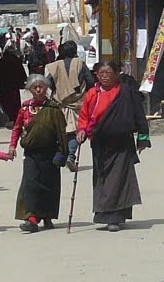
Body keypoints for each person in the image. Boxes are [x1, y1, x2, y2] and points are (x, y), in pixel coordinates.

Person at [76, 60, 150, 232]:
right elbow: (84, 116)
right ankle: (104, 214)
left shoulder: (125, 91)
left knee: (119, 179)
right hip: (100, 142)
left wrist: (143, 138)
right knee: (102, 178)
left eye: (108, 73)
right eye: (100, 73)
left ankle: (115, 217)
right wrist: (82, 131)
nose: (104, 76)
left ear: (116, 74)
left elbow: (139, 114)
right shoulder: (92, 93)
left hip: (122, 143)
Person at [9, 74, 67, 233]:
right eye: (35, 87)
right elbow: (17, 128)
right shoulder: (25, 108)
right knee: (31, 185)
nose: (39, 89)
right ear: (30, 90)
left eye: (42, 86)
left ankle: (47, 216)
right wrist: (12, 147)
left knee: (49, 186)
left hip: (50, 154)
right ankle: (32, 218)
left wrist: (62, 154)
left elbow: (61, 134)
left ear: (46, 88)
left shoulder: (53, 109)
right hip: (31, 154)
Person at [46, 39, 94, 171]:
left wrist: (60, 89)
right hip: (78, 102)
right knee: (77, 130)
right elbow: (90, 81)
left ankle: (60, 156)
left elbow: (48, 82)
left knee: (60, 130)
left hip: (60, 102)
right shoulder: (80, 64)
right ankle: (70, 156)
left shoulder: (55, 65)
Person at [0, 45, 27, 125]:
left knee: (5, 104)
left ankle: (6, 118)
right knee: (15, 104)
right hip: (14, 87)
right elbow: (22, 74)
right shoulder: (16, 61)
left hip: (3, 87)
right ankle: (15, 120)